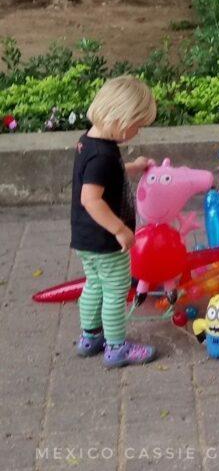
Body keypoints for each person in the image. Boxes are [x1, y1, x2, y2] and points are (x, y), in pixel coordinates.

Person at [71, 76, 157, 368]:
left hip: (86, 239)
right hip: (106, 241)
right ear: (120, 118)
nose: (137, 132)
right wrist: (120, 230)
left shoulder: (90, 142)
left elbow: (107, 177)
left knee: (94, 285)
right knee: (116, 290)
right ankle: (116, 347)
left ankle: (89, 336)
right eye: (137, 125)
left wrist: (134, 166)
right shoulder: (102, 156)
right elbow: (90, 198)